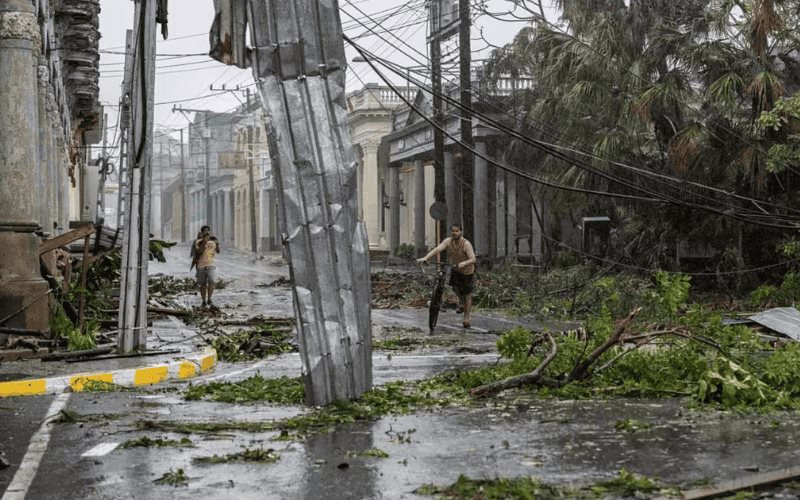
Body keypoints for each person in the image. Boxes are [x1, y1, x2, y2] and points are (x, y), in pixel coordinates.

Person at [417, 224, 477, 328]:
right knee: (455, 287)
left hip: (467, 271)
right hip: (455, 269)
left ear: (461, 232)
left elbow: (473, 259)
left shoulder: (466, 244)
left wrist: (464, 263)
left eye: (457, 231)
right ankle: (461, 303)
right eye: (453, 231)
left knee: (467, 294)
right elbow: (438, 248)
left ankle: (466, 318)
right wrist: (426, 257)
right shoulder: (448, 241)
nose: (454, 233)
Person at [194, 226, 220, 308]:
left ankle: (209, 299)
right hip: (201, 266)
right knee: (203, 284)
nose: (206, 232)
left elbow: (218, 251)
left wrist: (217, 244)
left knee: (211, 280)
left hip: (211, 264)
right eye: (205, 231)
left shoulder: (213, 241)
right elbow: (199, 251)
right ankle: (203, 301)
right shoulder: (198, 241)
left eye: (208, 231)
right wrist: (204, 241)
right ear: (202, 233)